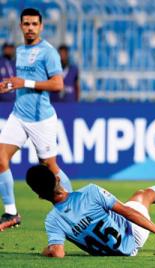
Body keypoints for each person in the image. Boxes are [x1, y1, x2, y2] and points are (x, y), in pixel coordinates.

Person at [0, 8, 73, 231]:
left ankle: (73, 207)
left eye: (34, 24)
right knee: (0, 158)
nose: (30, 28)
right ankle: (11, 212)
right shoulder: (20, 51)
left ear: (41, 27)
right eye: (26, 24)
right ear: (21, 26)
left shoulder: (48, 52)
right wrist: (10, 85)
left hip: (41, 119)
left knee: (49, 166)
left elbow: (57, 84)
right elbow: (22, 81)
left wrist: (25, 83)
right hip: (19, 115)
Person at [25, 164, 155, 257]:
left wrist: (47, 250)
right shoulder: (90, 192)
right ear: (57, 178)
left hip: (116, 253)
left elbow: (58, 253)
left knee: (136, 199)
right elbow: (127, 212)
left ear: (40, 196)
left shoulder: (53, 220)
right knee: (142, 195)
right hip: (133, 234)